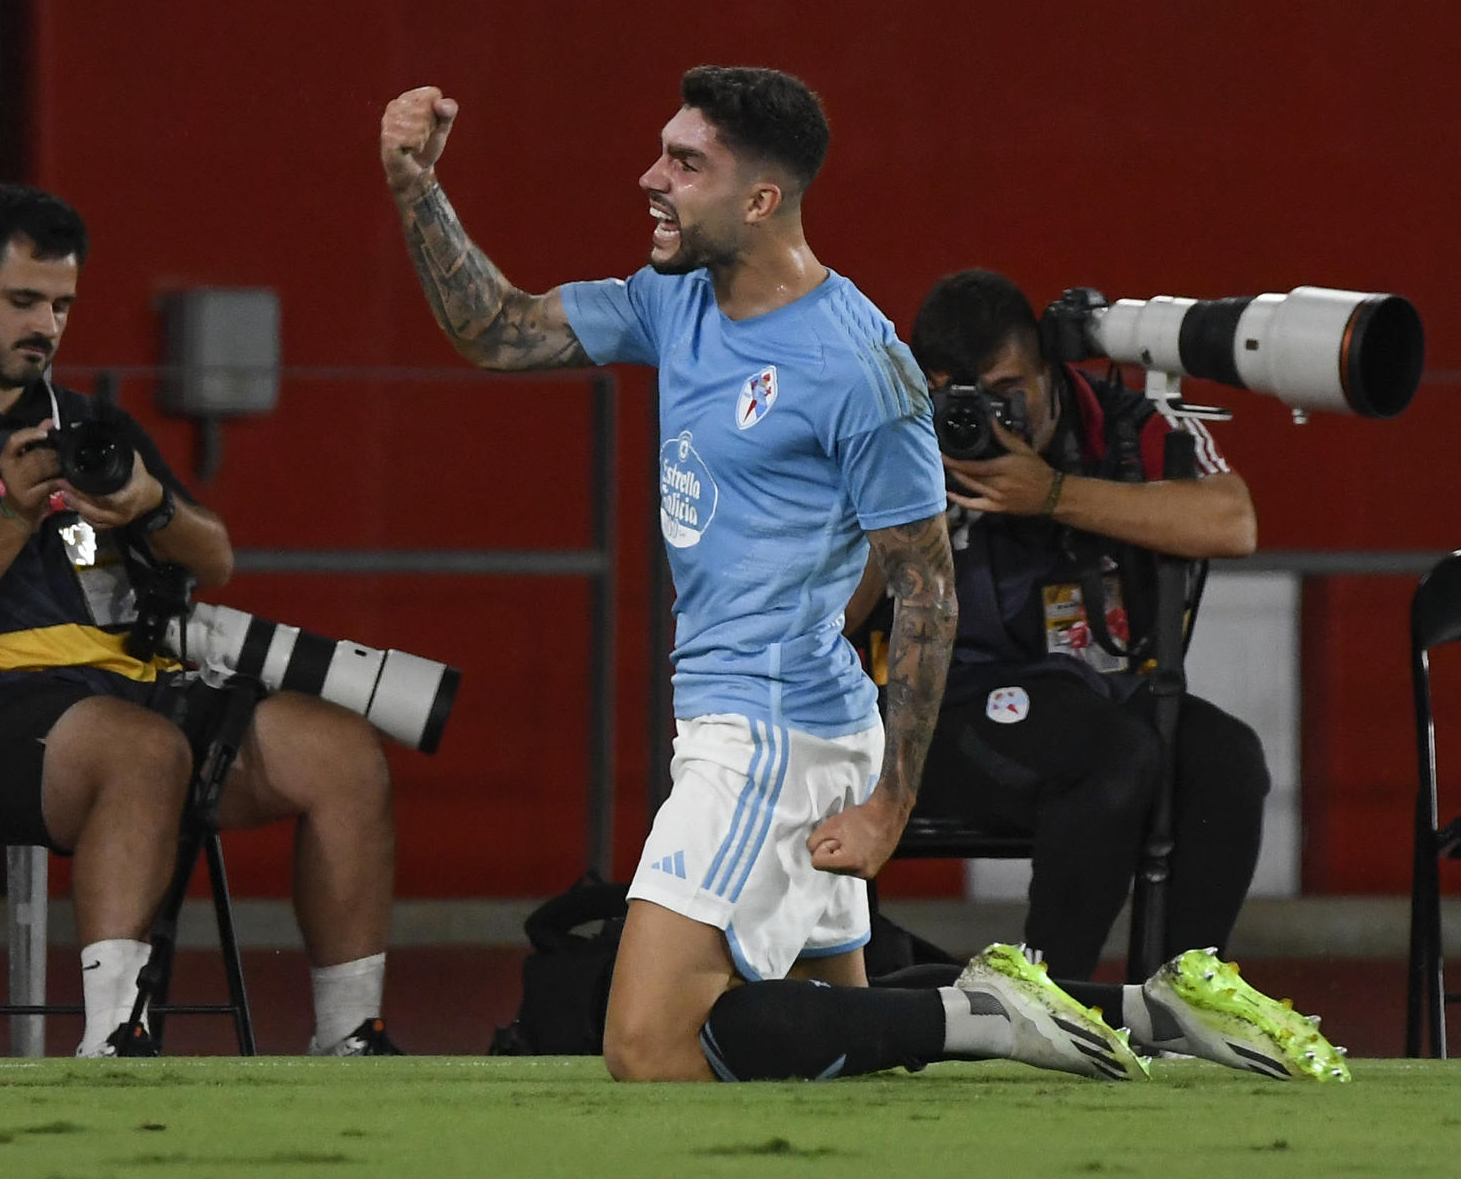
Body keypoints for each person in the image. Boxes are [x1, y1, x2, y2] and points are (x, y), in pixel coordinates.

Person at [381, 67, 1345, 1085]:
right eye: (663, 151)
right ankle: (1151, 1006)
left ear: (760, 200)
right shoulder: (673, 298)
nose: (650, 177)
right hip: (783, 721)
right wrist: (415, 185)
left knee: (648, 1044)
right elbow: (499, 330)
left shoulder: (859, 366)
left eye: (685, 162)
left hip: (770, 731)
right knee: (847, 1044)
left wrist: (889, 806)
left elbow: (927, 587)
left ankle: (980, 1014)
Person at [0, 183, 401, 1058]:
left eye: (61, 305)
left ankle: (350, 1040)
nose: (45, 326)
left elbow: (217, 559)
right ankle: (113, 1041)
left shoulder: (90, 426)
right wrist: (12, 516)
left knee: (343, 754)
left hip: (111, 690)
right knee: (142, 751)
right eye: (22, 301)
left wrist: (151, 504)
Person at [856, 268, 1271, 982]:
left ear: (1051, 370)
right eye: (959, 397)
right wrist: (902, 490)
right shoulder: (889, 436)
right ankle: (1051, 994)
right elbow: (832, 611)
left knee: (1226, 760)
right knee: (1111, 755)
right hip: (935, 714)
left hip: (1107, 693)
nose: (987, 416)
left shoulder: (1119, 421)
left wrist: (1053, 495)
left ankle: (1181, 997)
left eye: (1007, 391)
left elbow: (1232, 521)